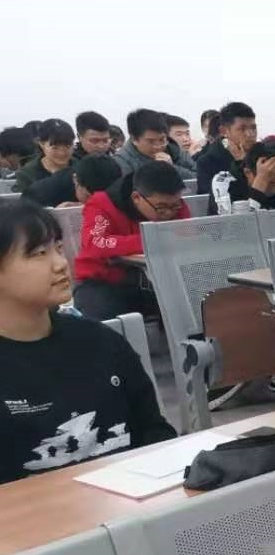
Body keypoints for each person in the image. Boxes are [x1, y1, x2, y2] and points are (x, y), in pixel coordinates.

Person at [0, 203, 175, 484]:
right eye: (39, 253)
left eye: (58, 248)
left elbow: (154, 433)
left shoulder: (102, 342)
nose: (60, 263)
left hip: (127, 499)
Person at [73, 161, 191, 319]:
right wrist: (151, 239)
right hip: (105, 281)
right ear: (136, 197)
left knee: (194, 307)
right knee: (104, 317)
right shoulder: (102, 204)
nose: (168, 213)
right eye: (161, 207)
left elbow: (186, 236)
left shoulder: (176, 205)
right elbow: (96, 243)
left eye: (175, 206)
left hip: (161, 282)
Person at [194, 102, 259, 214]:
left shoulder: (261, 153)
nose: (250, 134)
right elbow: (216, 204)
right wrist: (241, 163)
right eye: (242, 129)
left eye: (253, 128)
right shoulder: (208, 161)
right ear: (224, 131)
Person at [114, 108, 197, 178]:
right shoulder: (122, 160)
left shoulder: (173, 148)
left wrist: (172, 168)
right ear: (134, 139)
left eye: (162, 140)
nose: (158, 146)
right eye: (151, 141)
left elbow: (197, 176)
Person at [25, 152, 122, 209]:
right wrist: (55, 215)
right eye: (87, 196)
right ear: (75, 180)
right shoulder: (41, 194)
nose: (94, 202)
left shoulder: (117, 186)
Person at [14, 119, 75, 192]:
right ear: (42, 144)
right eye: (55, 148)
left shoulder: (81, 167)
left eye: (68, 147)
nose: (61, 153)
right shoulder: (27, 174)